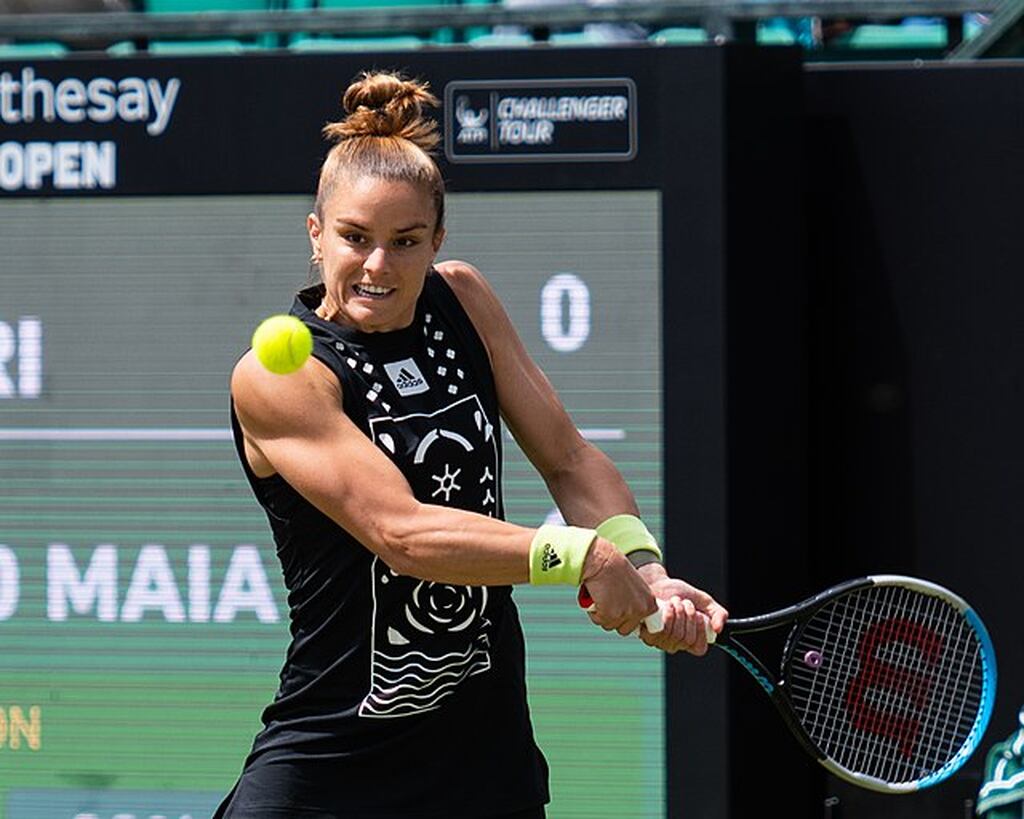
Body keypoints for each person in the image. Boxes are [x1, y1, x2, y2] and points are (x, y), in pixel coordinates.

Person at [215, 70, 728, 819]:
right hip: (333, 760)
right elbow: (404, 533)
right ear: (316, 232)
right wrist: (585, 556)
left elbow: (569, 458)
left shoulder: (464, 301)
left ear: (438, 241)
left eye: (406, 241)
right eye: (355, 238)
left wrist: (646, 567)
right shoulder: (279, 377)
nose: (378, 266)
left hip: (482, 757)